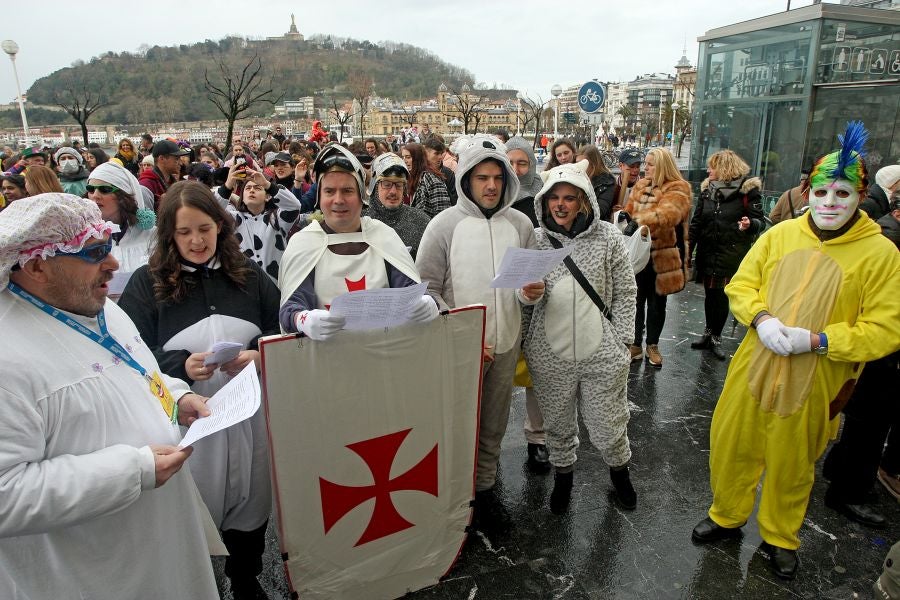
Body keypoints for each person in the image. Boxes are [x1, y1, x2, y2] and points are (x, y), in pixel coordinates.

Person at [690, 122, 900, 581]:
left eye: (842, 194)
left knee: (793, 463)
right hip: (753, 366)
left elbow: (886, 327)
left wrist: (822, 341)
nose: (829, 203)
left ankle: (781, 536)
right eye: (821, 192)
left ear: (859, 197)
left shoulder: (881, 254)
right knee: (733, 446)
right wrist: (761, 319)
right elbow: (743, 285)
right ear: (807, 191)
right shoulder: (778, 236)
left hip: (817, 379)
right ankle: (726, 515)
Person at [0, 193, 218, 599]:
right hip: (93, 573)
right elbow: (5, 493)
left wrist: (176, 396)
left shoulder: (96, 305)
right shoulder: (6, 354)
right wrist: (130, 471)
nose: (113, 263)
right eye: (94, 251)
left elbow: (132, 374)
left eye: (110, 244)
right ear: (35, 265)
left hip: (160, 545)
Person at [118, 181, 278, 600]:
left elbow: (280, 329)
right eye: (185, 232)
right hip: (186, 419)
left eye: (205, 228)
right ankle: (200, 583)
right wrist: (178, 366)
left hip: (248, 415)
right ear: (169, 234)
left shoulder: (248, 275)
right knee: (195, 504)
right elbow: (128, 353)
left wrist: (260, 356)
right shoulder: (146, 283)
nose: (196, 240)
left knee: (251, 495)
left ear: (221, 227)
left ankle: (246, 577)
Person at [416, 135, 544, 529]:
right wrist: (458, 334)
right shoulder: (443, 226)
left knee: (493, 423)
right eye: (482, 177)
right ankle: (457, 495)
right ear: (466, 179)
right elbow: (425, 290)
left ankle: (485, 491)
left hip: (505, 346)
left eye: (497, 177)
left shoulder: (521, 225)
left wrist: (530, 293)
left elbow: (527, 287)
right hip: (461, 350)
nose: (491, 185)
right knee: (457, 425)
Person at [522, 160, 638, 514]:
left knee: (609, 422)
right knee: (556, 423)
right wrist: (527, 296)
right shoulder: (535, 242)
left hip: (601, 351)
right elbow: (523, 300)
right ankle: (563, 479)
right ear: (543, 200)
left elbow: (626, 291)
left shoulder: (608, 238)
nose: (560, 204)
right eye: (554, 197)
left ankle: (620, 475)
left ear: (583, 200)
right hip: (550, 353)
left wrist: (621, 341)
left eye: (569, 198)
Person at [279, 143, 436, 338]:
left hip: (384, 354)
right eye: (329, 191)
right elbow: (292, 305)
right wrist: (301, 319)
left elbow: (409, 290)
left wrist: (425, 302)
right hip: (328, 359)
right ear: (319, 196)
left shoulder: (382, 236)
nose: (338, 200)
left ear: (361, 195)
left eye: (347, 191)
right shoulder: (304, 243)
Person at [819, 192, 900, 529]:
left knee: (865, 419)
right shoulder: (888, 241)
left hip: (871, 348)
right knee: (869, 421)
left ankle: (841, 475)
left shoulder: (883, 239)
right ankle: (847, 489)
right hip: (875, 353)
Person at [688, 150, 764, 360]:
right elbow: (696, 222)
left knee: (721, 295)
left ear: (724, 169)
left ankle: (716, 337)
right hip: (708, 250)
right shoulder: (707, 191)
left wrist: (749, 225)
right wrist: (687, 249)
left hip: (730, 252)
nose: (708, 170)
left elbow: (760, 221)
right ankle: (708, 333)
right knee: (710, 293)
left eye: (712, 167)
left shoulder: (748, 191)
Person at [623, 148, 692, 368]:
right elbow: (629, 210)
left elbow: (668, 215)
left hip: (663, 256)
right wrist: (626, 218)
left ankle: (652, 345)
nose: (645, 168)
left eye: (651, 164)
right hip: (638, 253)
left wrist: (638, 221)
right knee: (635, 300)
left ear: (662, 165)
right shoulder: (641, 185)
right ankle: (635, 344)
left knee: (656, 304)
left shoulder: (678, 188)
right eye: (646, 163)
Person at [506, 135, 549, 471]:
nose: (517, 170)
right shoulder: (493, 198)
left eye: (522, 163)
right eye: (511, 163)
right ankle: (489, 439)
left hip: (536, 293)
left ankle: (537, 439)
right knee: (500, 371)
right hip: (503, 295)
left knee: (537, 371)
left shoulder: (542, 197)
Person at [215, 161, 302, 281]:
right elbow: (209, 211)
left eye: (257, 188)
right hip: (244, 287)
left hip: (276, 286)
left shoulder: (276, 218)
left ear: (267, 197)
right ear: (242, 196)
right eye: (248, 188)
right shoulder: (232, 219)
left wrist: (267, 185)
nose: (251, 190)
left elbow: (295, 206)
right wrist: (228, 186)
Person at [88, 161, 157, 276]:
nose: (95, 195)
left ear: (123, 196)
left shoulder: (152, 235)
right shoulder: (82, 239)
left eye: (104, 189)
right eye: (91, 189)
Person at [364, 152, 430, 259]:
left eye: (399, 185)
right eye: (386, 184)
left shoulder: (421, 221)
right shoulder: (360, 222)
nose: (393, 191)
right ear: (375, 186)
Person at [401, 143, 452, 218]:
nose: (404, 160)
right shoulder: (412, 176)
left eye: (408, 157)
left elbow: (443, 214)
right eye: (403, 157)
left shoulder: (430, 178)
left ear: (417, 159)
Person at [139, 140, 189, 210]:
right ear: (162, 158)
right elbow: (143, 218)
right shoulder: (146, 185)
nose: (180, 163)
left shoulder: (172, 182)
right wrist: (161, 204)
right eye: (176, 159)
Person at [576, 144, 616, 221]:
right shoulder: (577, 178)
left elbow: (600, 212)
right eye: (577, 163)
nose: (579, 167)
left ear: (593, 164)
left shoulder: (607, 182)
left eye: (582, 164)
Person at [423, 135, 457, 206]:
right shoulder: (420, 172)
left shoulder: (448, 173)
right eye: (436, 153)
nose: (440, 157)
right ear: (426, 154)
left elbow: (454, 199)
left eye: (441, 153)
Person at [613, 147, 643, 213]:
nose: (635, 170)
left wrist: (627, 211)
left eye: (638, 166)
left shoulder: (644, 186)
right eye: (631, 166)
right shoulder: (612, 185)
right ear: (621, 166)